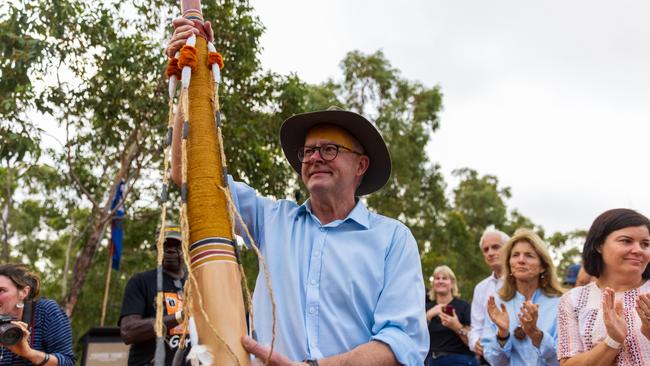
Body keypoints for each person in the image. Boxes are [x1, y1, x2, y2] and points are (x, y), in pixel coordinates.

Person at [168, 19, 429, 365]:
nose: (315, 158)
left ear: (361, 165)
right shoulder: (270, 219)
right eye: (308, 151)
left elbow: (401, 343)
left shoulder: (393, 239)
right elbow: (190, 174)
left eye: (329, 149)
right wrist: (192, 73)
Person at [557, 208, 650, 365]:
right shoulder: (573, 299)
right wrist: (612, 341)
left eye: (645, 244)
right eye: (626, 241)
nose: (638, 250)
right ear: (599, 245)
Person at [481, 228, 565, 366]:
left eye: (529, 255)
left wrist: (536, 335)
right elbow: (495, 361)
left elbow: (564, 360)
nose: (521, 260)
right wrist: (502, 335)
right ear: (509, 263)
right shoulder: (497, 303)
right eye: (515, 255)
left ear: (543, 266)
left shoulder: (561, 302)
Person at [119, 224, 190, 366]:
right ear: (157, 250)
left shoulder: (196, 284)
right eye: (164, 245)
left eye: (176, 245)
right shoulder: (141, 282)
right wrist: (180, 316)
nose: (170, 250)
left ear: (185, 248)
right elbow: (128, 332)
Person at [0, 263, 75, 365]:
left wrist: (28, 353)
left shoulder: (46, 311)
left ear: (24, 292)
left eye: (1, 290)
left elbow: (67, 362)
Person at [468, 227, 509, 363]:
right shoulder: (481, 288)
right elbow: (476, 326)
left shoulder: (520, 282)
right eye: (486, 249)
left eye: (495, 247)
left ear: (508, 249)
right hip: (487, 357)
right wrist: (475, 341)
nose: (490, 253)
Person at [425, 265, 477, 366]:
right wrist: (428, 315)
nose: (440, 281)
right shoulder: (426, 308)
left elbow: (473, 342)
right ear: (433, 283)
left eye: (444, 278)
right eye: (437, 278)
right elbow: (416, 334)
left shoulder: (464, 307)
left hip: (460, 360)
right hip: (432, 361)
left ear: (452, 283)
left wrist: (457, 326)